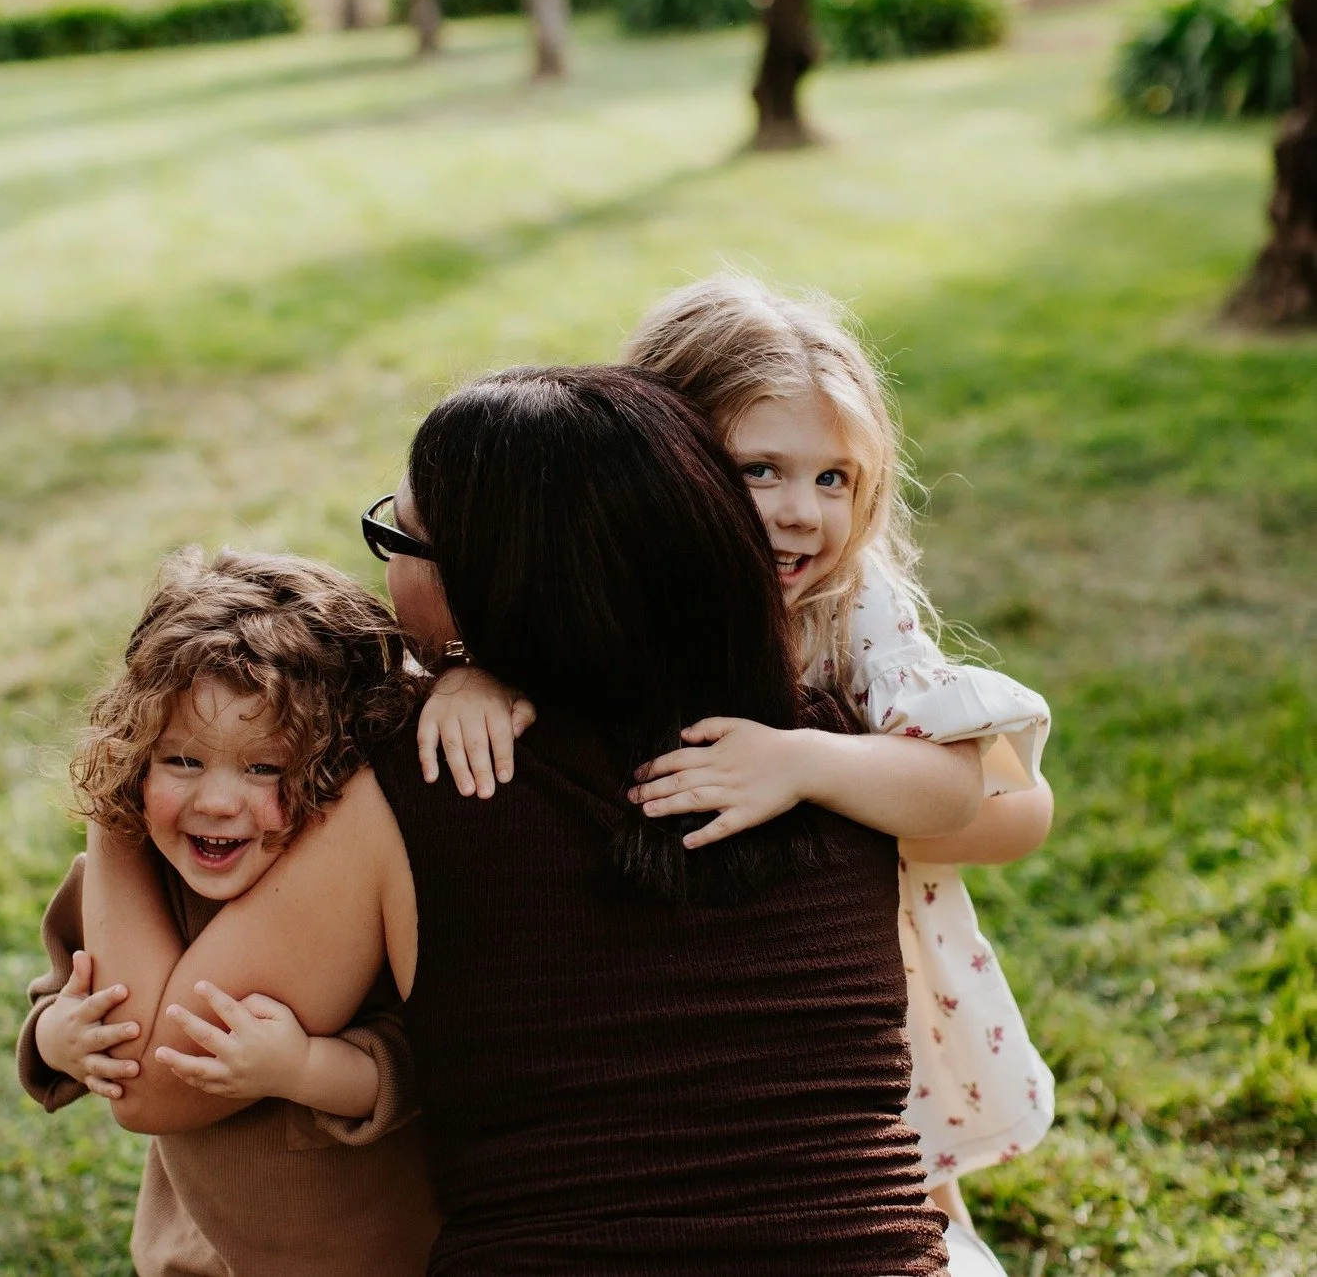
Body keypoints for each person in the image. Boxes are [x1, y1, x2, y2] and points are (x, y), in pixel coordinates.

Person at [81, 367, 952, 1276]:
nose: (386, 566)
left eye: (400, 538)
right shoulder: (834, 758)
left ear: (485, 589)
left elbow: (151, 1078)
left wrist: (119, 792)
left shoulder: (429, 786)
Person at [420, 277, 1055, 1275]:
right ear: (658, 459)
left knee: (888, 1142)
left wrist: (807, 760)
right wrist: (468, 670)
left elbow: (999, 802)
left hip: (848, 976)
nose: (802, 517)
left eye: (834, 479)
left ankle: (935, 1234)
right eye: (760, 470)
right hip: (645, 1019)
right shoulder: (599, 579)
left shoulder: (849, 613)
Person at [16, 548, 440, 1277]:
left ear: (332, 772)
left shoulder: (353, 901)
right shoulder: (130, 883)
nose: (216, 802)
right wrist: (56, 1038)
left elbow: (417, 1060)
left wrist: (303, 1066)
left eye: (264, 767)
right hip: (192, 1253)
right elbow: (62, 987)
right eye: (182, 761)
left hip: (355, 1256)